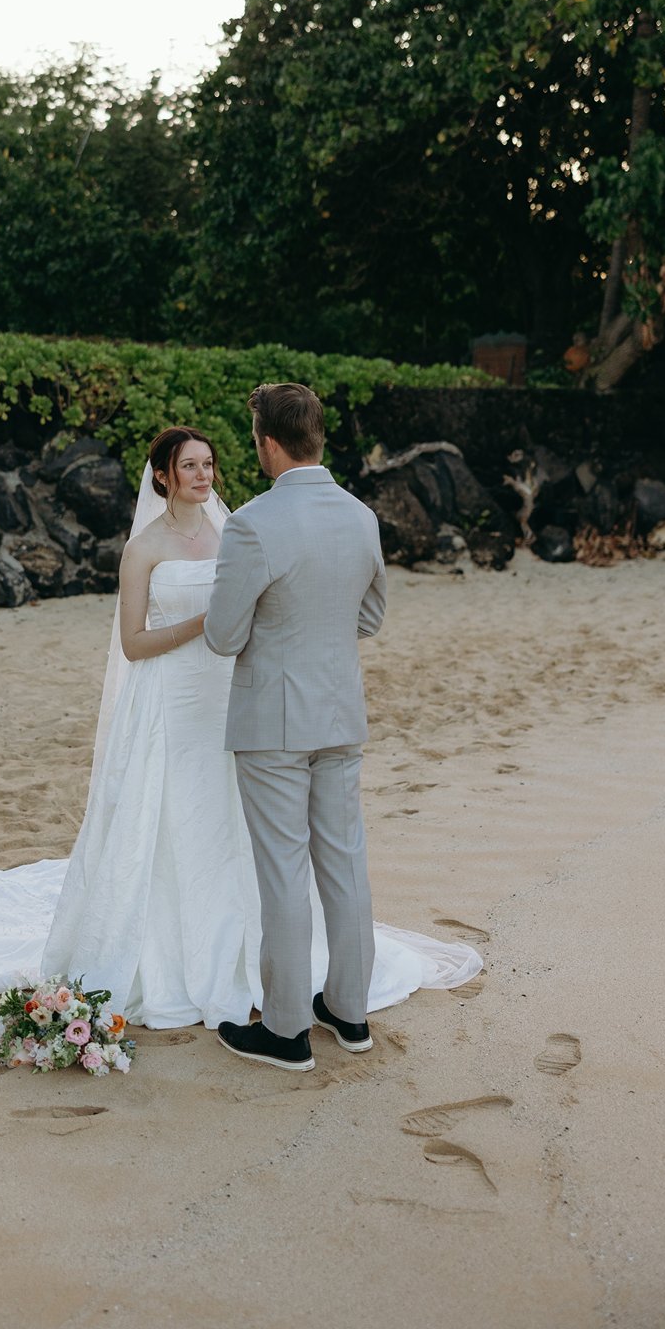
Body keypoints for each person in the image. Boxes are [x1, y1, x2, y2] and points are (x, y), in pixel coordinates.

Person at [0, 424, 480, 1029]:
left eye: (208, 464)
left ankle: (256, 960)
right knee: (172, 819)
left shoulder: (239, 532)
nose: (203, 475)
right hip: (171, 699)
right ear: (164, 477)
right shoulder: (144, 550)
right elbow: (135, 642)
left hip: (234, 697)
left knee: (236, 825)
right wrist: (202, 624)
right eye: (189, 467)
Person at [208, 382, 385, 1073]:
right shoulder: (361, 515)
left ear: (270, 443)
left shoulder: (253, 523)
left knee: (283, 871)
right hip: (341, 710)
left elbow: (224, 635)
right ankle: (349, 1011)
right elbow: (370, 617)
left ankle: (285, 1031)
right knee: (345, 862)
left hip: (274, 721)